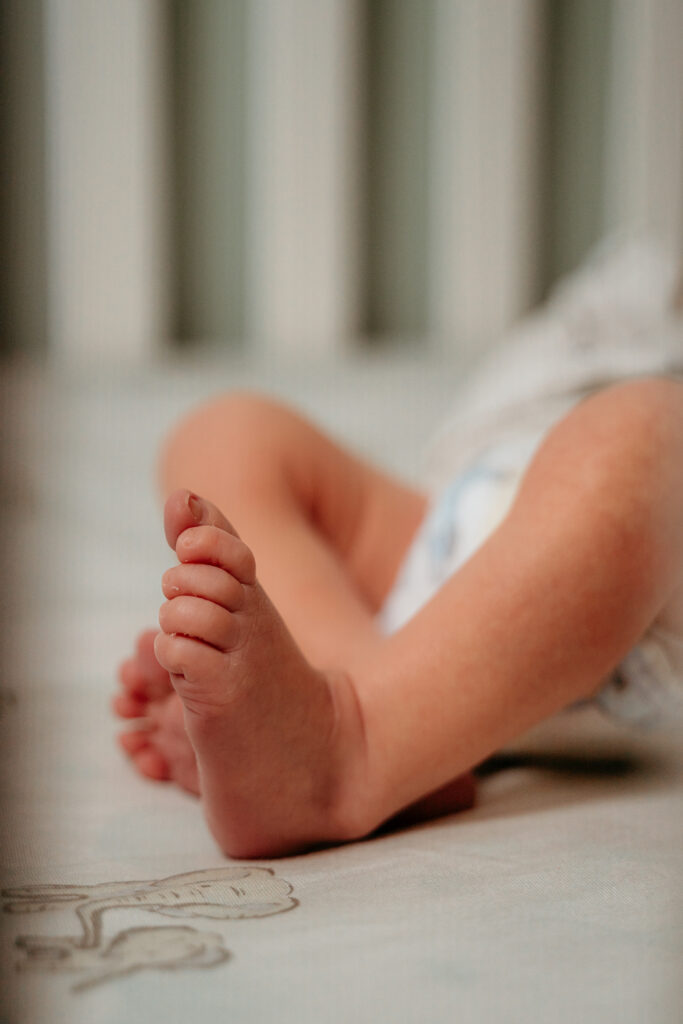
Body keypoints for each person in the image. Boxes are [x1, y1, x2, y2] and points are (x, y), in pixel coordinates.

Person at [113, 241, 683, 859]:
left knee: (653, 438)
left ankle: (350, 750)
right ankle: (337, 695)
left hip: (630, 591)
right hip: (453, 520)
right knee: (226, 432)